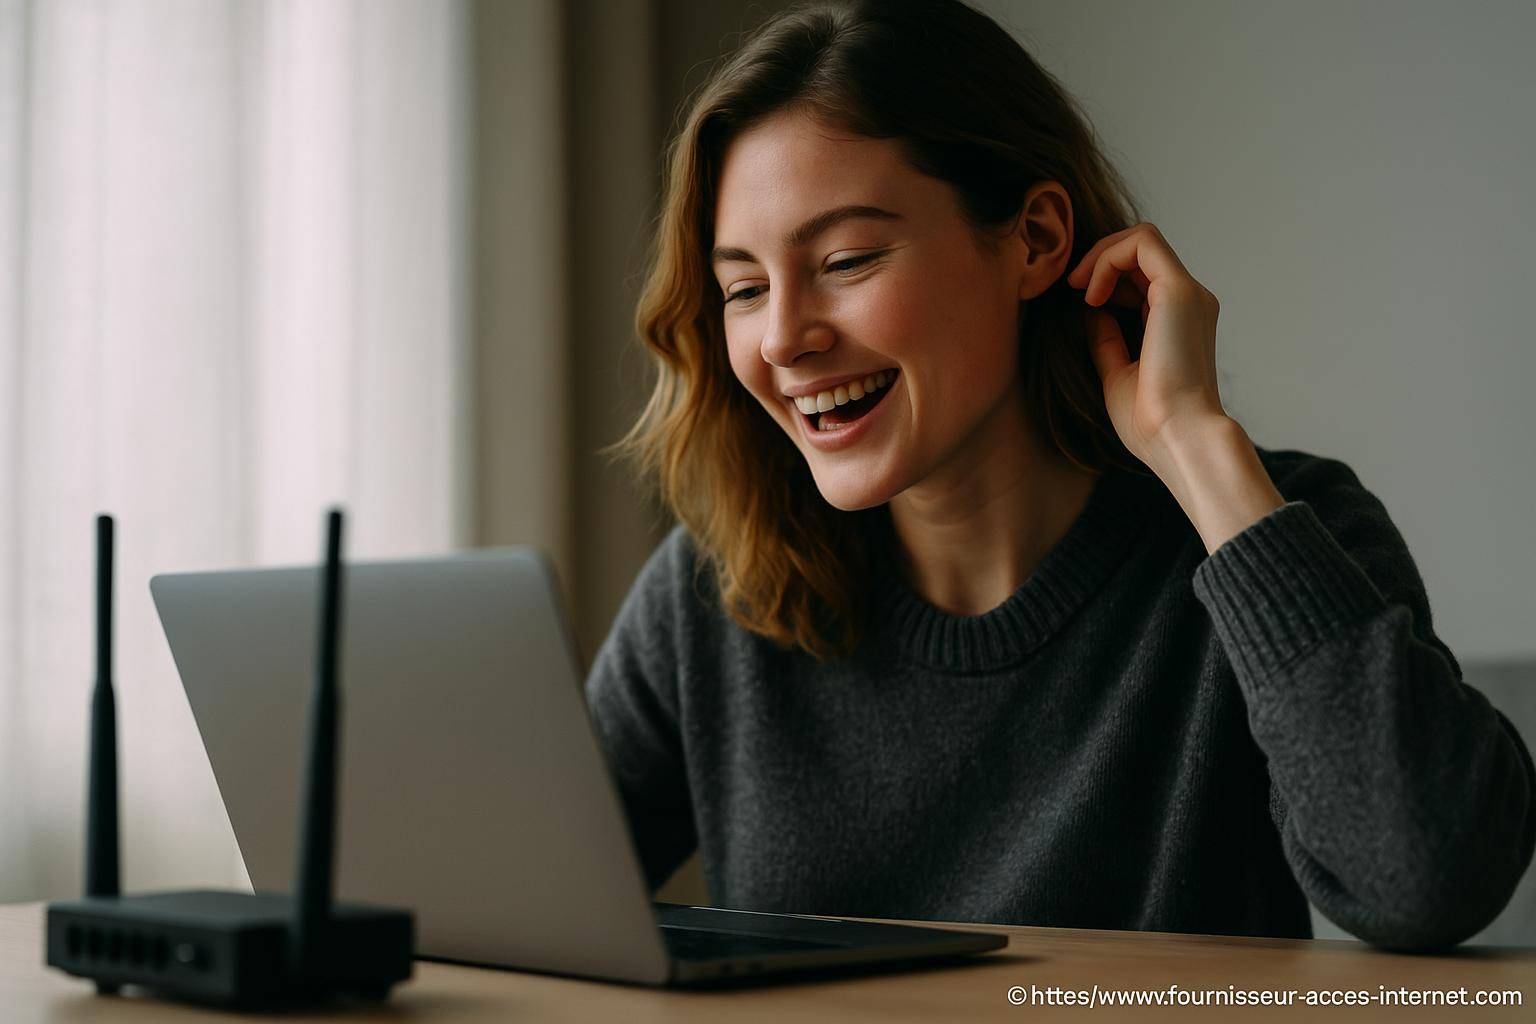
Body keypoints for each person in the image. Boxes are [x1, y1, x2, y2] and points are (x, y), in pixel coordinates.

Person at [584, 0, 1535, 951]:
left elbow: (1430, 881)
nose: (784, 336)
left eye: (846, 259)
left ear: (1035, 240)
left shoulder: (1282, 531)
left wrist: (1196, 446)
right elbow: (503, 904)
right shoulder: (714, 597)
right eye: (743, 288)